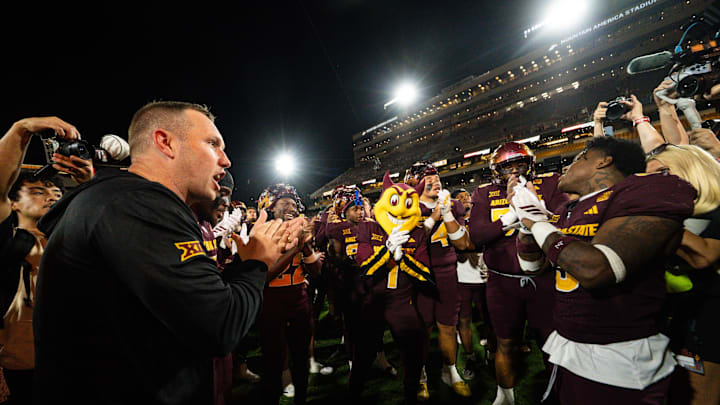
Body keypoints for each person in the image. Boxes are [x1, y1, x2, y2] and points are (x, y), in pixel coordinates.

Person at [33, 101, 300, 404]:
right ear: (165, 142)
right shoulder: (137, 205)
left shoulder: (124, 199)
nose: (225, 161)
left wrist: (253, 263)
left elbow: (194, 307)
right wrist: (255, 264)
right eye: (213, 144)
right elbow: (219, 326)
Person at [513, 137, 696, 404]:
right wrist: (526, 224)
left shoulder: (645, 191)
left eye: (579, 158)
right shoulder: (568, 209)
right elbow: (533, 267)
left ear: (603, 160)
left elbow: (599, 269)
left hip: (620, 360)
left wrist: (538, 222)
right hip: (571, 345)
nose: (567, 167)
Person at [0, 116, 93, 405]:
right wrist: (21, 130)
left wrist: (88, 182)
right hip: (24, 362)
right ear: (13, 203)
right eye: (38, 191)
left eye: (54, 190)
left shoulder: (68, 238)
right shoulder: (10, 241)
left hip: (75, 358)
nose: (51, 194)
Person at [468, 142, 569, 405]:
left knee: (552, 343)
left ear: (531, 164)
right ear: (495, 170)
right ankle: (505, 396)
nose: (514, 171)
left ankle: (560, 393)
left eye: (520, 164)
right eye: (507, 167)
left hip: (544, 278)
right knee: (505, 343)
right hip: (503, 282)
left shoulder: (549, 184)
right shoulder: (483, 193)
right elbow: (477, 236)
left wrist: (535, 210)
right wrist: (509, 216)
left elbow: (567, 221)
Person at [645, 144, 720, 405]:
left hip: (707, 321)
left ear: (691, 170)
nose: (655, 183)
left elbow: (704, 256)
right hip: (669, 317)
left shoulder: (715, 210)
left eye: (664, 173)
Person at [351, 172, 431, 405]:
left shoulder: (416, 232)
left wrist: (402, 257)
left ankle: (410, 395)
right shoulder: (368, 228)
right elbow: (365, 268)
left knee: (414, 353)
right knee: (363, 356)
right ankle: (353, 395)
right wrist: (388, 250)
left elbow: (425, 273)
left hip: (401, 300)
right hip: (372, 300)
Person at [404, 161, 471, 399]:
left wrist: (447, 212)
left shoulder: (454, 204)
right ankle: (420, 376)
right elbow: (416, 241)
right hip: (420, 275)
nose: (434, 181)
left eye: (436, 177)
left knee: (448, 325)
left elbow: (463, 244)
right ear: (414, 182)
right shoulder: (407, 207)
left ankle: (450, 370)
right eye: (426, 178)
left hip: (448, 271)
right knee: (422, 329)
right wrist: (434, 214)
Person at [257, 183, 322, 405]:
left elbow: (316, 271)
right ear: (270, 207)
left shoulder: (300, 231)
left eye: (294, 204)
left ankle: (301, 395)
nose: (291, 207)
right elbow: (264, 275)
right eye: (285, 203)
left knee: (302, 352)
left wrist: (306, 248)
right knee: (274, 355)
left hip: (298, 296)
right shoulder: (261, 234)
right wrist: (296, 248)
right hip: (272, 300)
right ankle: (281, 383)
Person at [452, 188, 494, 380]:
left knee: (489, 318)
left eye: (467, 196)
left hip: (484, 277)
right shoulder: (453, 222)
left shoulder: (483, 216)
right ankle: (470, 358)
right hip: (462, 279)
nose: (465, 200)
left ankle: (492, 353)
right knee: (464, 321)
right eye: (460, 198)